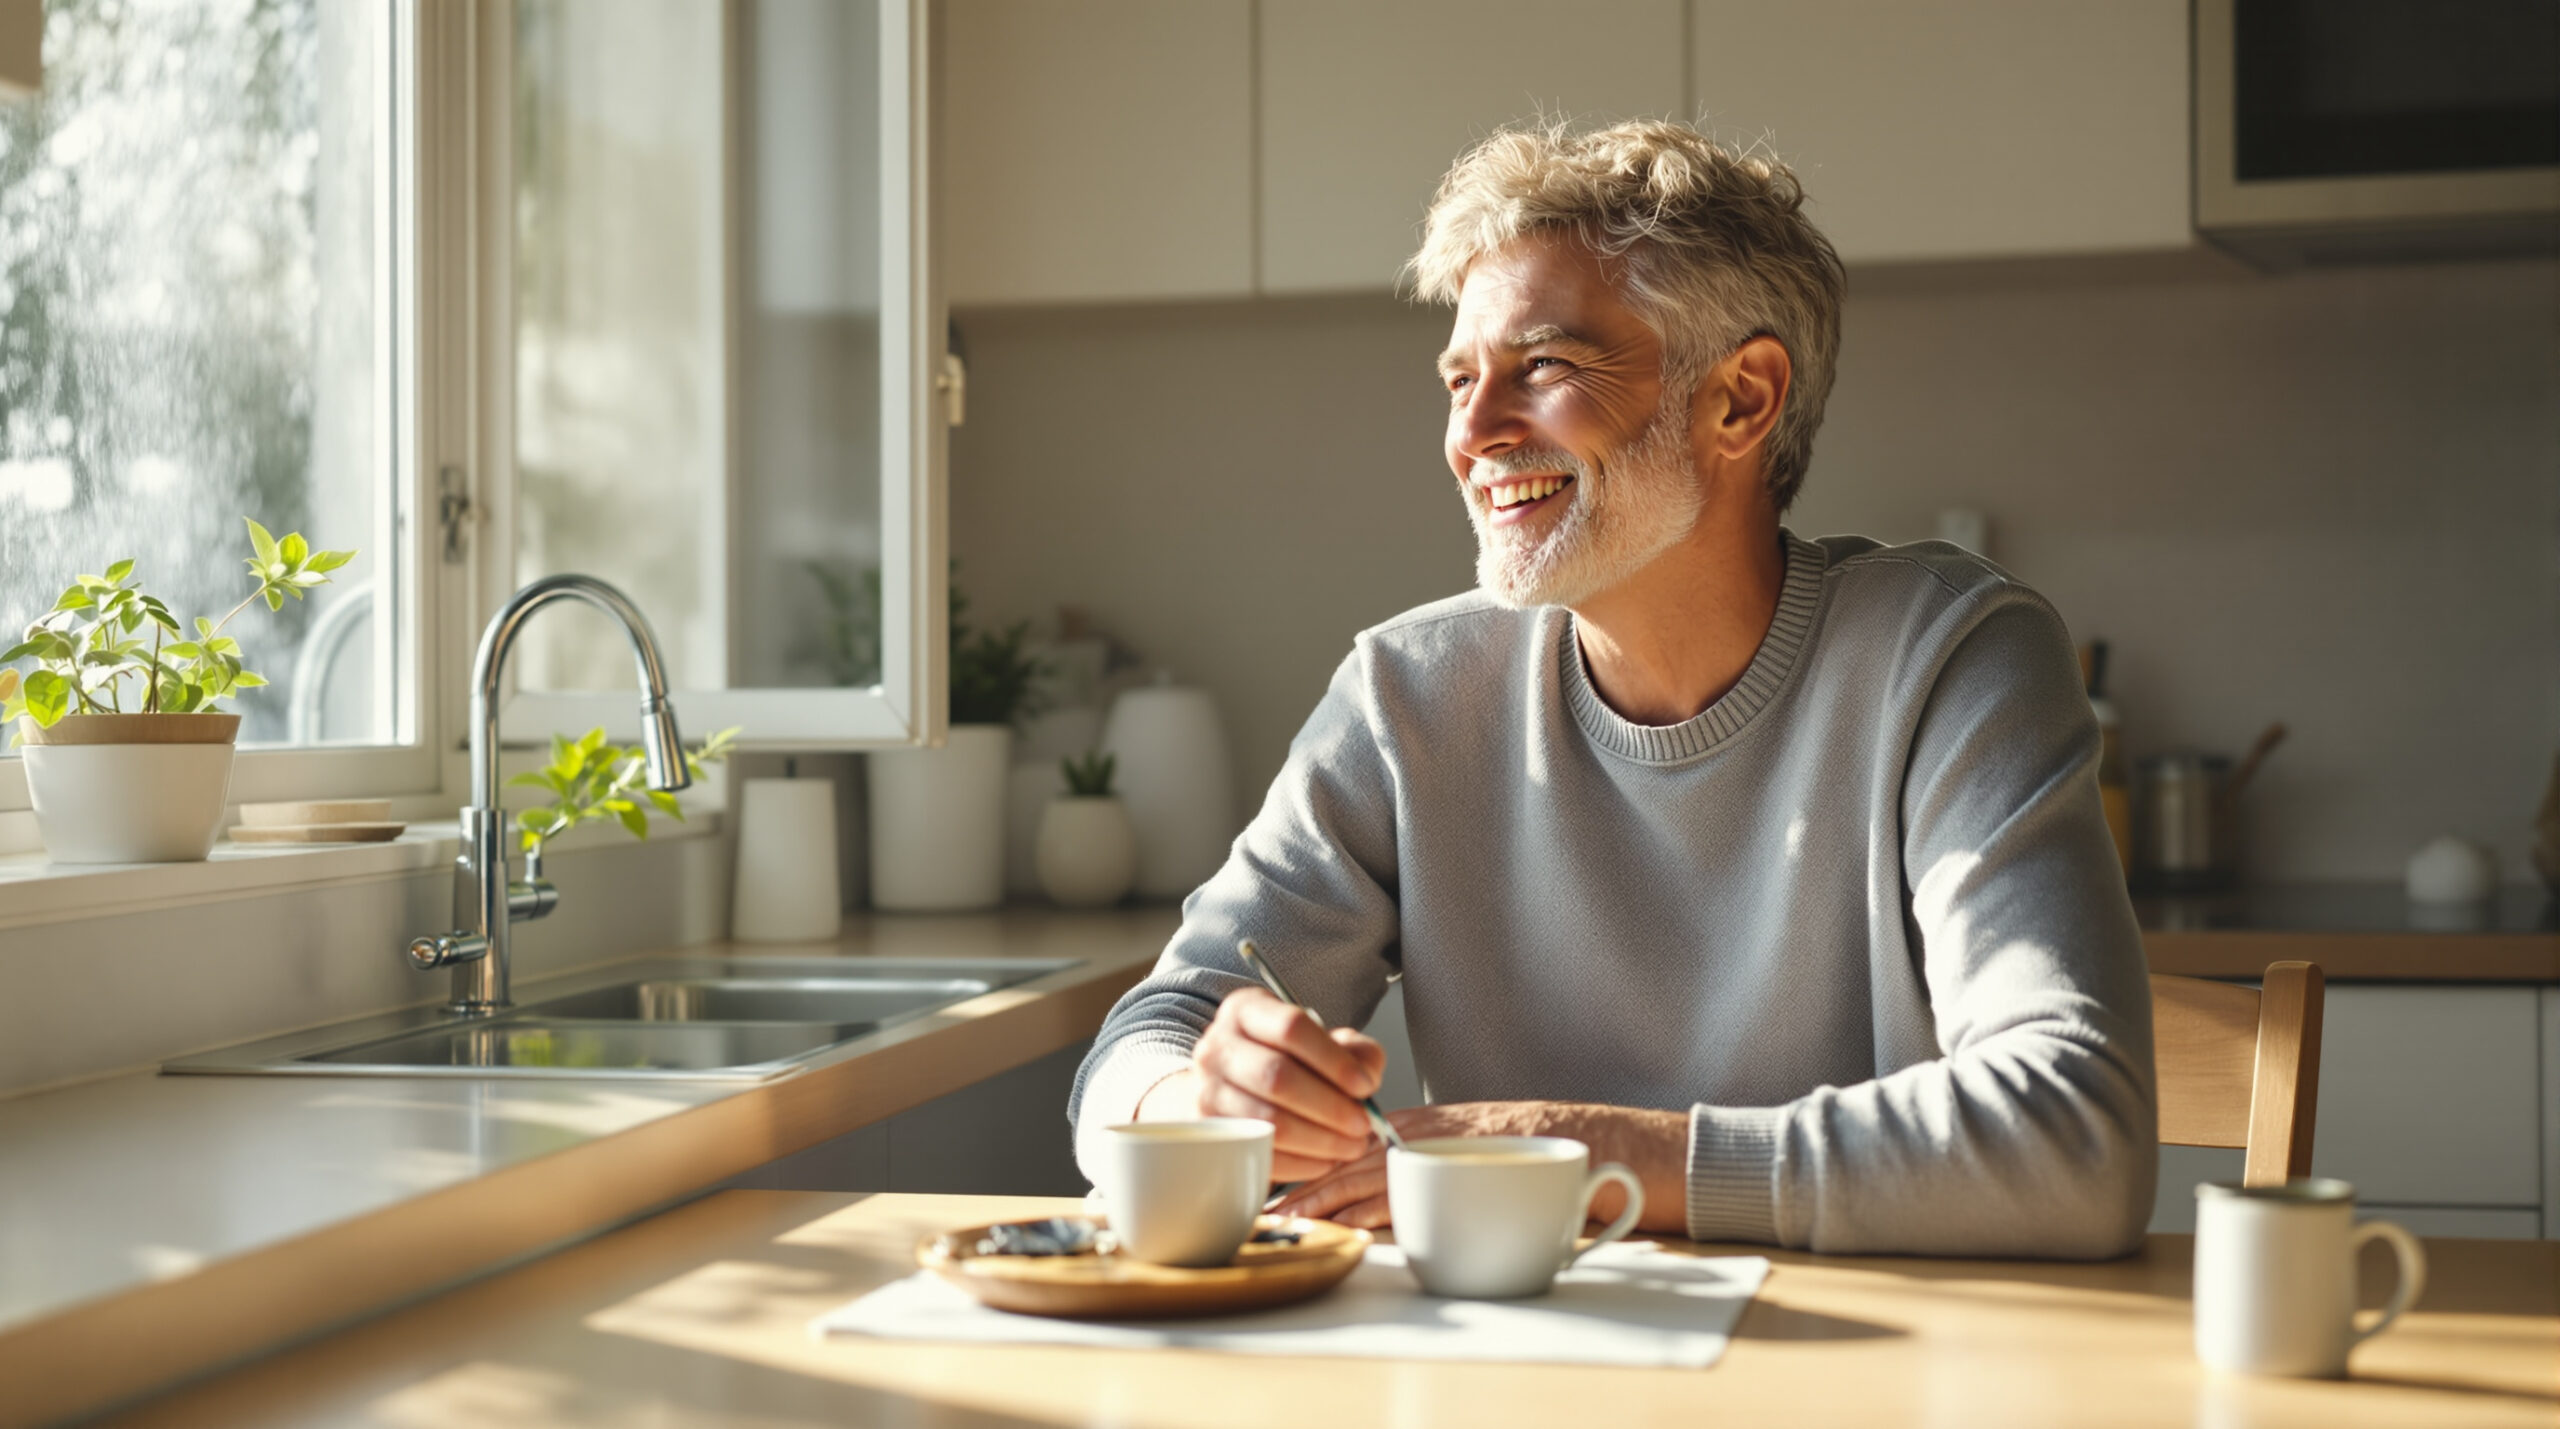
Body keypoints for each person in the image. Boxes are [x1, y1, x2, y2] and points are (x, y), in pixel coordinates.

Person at [1068, 120, 2156, 1258]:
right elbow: (1146, 1036)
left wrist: (1586, 1155)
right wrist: (1196, 1104)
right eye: (1458, 379)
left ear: (1740, 399)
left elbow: (2078, 1136)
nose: (1472, 433)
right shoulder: (1408, 696)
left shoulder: (1947, 658)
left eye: (1540, 367)